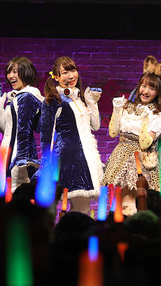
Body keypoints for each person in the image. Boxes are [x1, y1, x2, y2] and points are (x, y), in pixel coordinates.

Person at [102, 56, 161, 215]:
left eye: (152, 88)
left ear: (158, 92)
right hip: (120, 155)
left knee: (133, 202)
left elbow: (145, 143)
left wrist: (147, 117)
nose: (145, 91)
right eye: (143, 86)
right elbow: (113, 133)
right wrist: (117, 109)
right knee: (117, 202)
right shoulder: (127, 107)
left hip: (140, 159)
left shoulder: (156, 115)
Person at [39, 57, 103, 214]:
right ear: (56, 77)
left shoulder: (78, 98)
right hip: (69, 159)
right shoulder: (54, 100)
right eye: (65, 72)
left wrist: (92, 101)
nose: (71, 76)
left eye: (73, 71)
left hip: (86, 158)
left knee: (83, 208)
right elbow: (46, 136)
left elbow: (95, 125)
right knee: (76, 207)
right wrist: (46, 165)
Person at [0, 57, 43, 192]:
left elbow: (24, 130)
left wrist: (22, 159)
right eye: (9, 72)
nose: (10, 76)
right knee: (8, 192)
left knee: (15, 193)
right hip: (9, 150)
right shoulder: (17, 96)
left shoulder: (27, 96)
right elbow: (8, 129)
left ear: (26, 72)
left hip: (18, 155)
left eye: (15, 71)